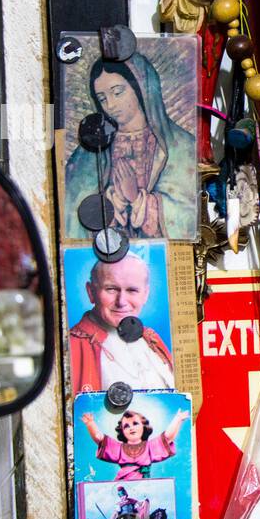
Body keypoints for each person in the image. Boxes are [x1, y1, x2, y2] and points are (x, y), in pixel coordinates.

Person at [63, 52, 197, 241]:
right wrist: (112, 203)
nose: (110, 105)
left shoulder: (182, 146)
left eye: (118, 93)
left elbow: (189, 215)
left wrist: (137, 199)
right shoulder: (88, 153)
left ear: (141, 88)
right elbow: (72, 212)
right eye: (102, 98)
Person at [68, 253, 174, 396]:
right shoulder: (71, 346)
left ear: (145, 294)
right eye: (111, 289)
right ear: (91, 292)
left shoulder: (152, 339)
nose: (121, 302)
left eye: (132, 290)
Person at [82, 407, 189, 481]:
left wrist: (178, 419)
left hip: (144, 485)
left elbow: (167, 437)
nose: (131, 428)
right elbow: (99, 439)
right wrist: (90, 423)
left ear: (144, 427)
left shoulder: (150, 447)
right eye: (126, 426)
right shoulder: (119, 448)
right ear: (122, 431)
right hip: (123, 483)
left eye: (135, 423)